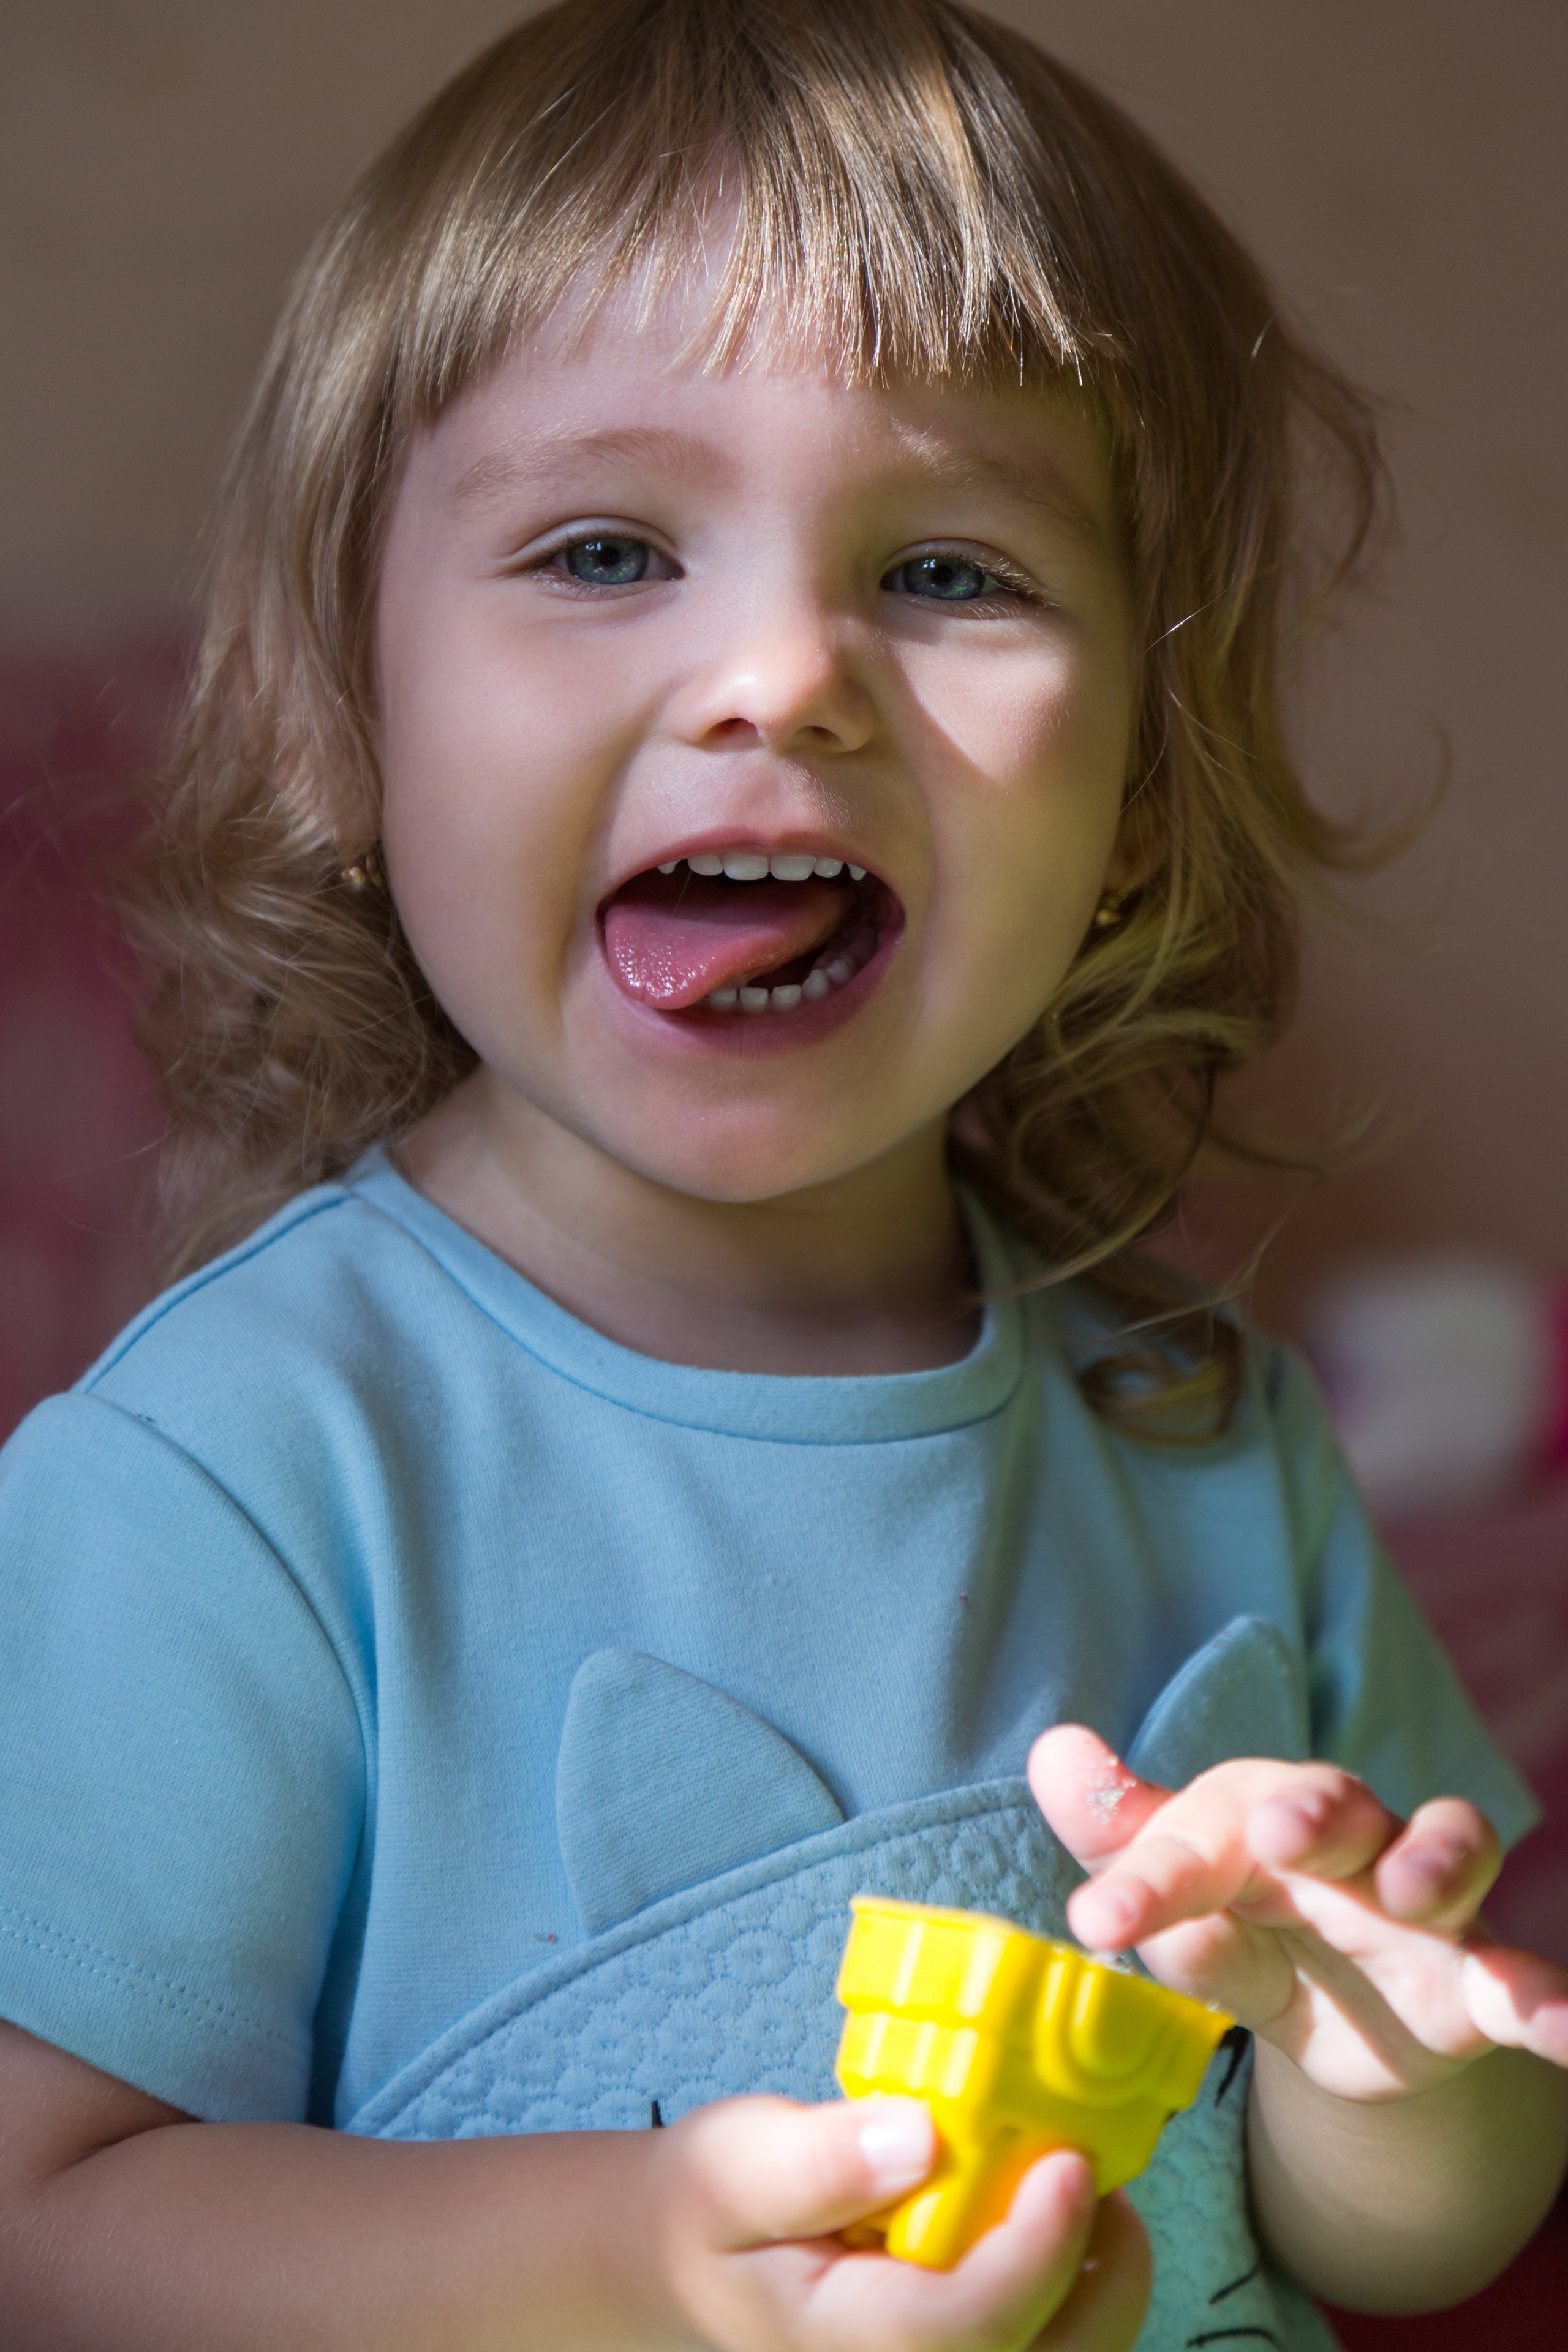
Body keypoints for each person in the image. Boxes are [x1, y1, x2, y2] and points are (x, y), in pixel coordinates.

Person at [1, 3, 1564, 2345]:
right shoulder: (228, 1475)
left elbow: (1411, 2232)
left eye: (947, 570)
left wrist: (1386, 2065)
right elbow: (45, 2229)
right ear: (351, 708)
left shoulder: (1210, 1426)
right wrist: (630, 2268)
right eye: (609, 545)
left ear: (1139, 795)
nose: (779, 676)